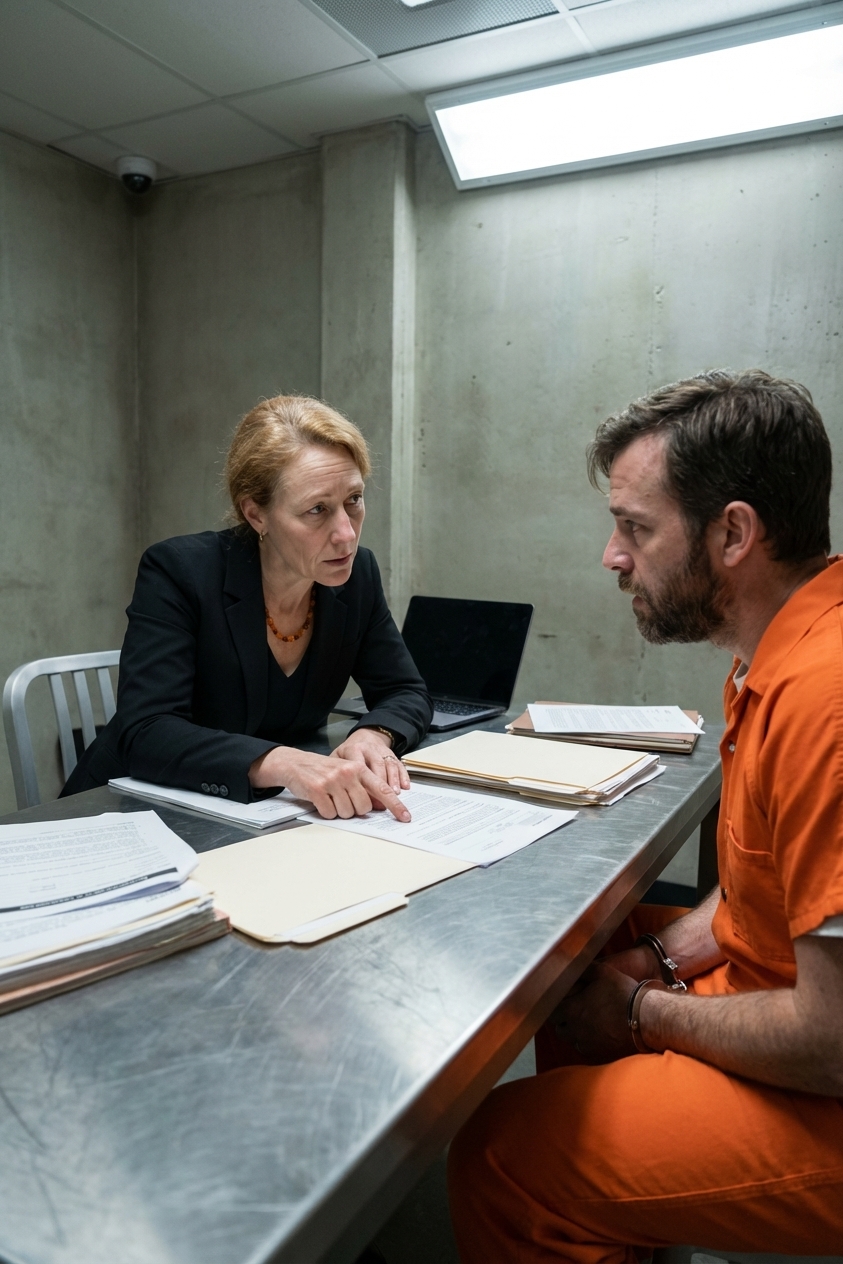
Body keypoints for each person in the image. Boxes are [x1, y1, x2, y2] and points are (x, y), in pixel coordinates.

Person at [448, 370, 843, 1260]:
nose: (611, 556)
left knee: (499, 1155)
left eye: (635, 527)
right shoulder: (777, 655)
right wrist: (654, 959)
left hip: (827, 1081)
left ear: (733, 533)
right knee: (584, 943)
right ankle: (618, 1215)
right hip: (790, 997)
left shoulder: (825, 700)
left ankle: (565, 1190)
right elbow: (763, 894)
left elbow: (832, 1042)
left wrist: (638, 1012)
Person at [63, 394, 432, 820]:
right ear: (256, 514)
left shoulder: (357, 575)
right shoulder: (181, 571)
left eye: (354, 499)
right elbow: (147, 730)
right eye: (317, 510)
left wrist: (374, 733)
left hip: (265, 816)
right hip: (130, 812)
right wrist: (285, 763)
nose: (346, 534)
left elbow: (405, 690)